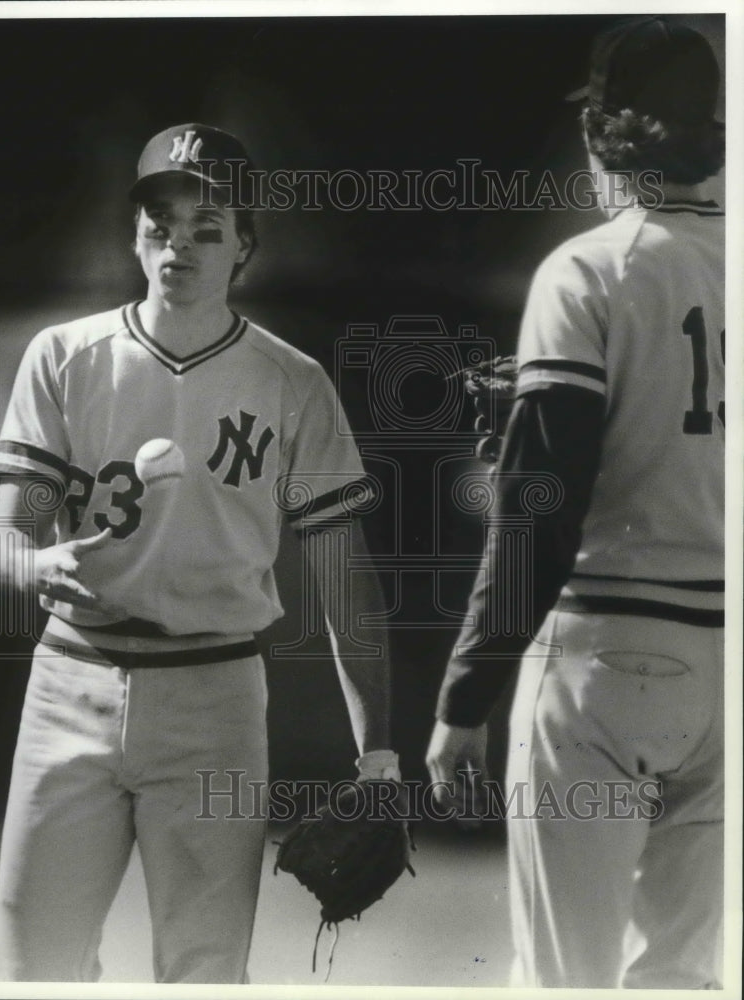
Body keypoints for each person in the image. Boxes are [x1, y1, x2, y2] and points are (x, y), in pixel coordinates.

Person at [0, 122, 398, 983]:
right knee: (28, 970)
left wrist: (380, 757)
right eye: (159, 221)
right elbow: (6, 542)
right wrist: (35, 566)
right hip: (70, 684)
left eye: (207, 226)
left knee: (205, 975)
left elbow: (343, 579)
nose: (179, 242)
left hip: (215, 702)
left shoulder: (292, 381)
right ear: (135, 234)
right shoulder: (63, 356)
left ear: (244, 246)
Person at [426, 17, 725, 989]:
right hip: (726, 670)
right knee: (682, 983)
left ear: (599, 139)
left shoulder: (587, 270)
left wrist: (466, 694)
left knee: (563, 981)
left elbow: (537, 512)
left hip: (603, 659)